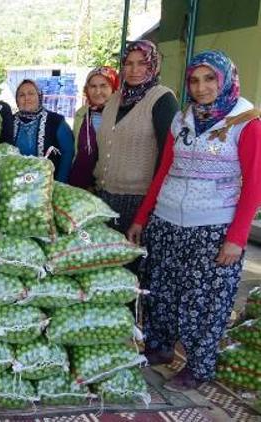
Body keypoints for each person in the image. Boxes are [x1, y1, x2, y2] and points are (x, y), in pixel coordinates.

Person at [127, 51, 261, 391]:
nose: (201, 88)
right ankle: (158, 347)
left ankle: (199, 367)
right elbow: (164, 170)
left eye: (209, 79)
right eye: (194, 80)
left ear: (225, 80)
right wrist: (143, 217)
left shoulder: (246, 122)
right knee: (163, 291)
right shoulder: (183, 117)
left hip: (214, 226)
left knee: (205, 300)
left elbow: (255, 184)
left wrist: (237, 237)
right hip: (168, 220)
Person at [93, 40, 180, 233]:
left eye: (142, 63)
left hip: (139, 201)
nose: (134, 70)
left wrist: (146, 211)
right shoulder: (115, 99)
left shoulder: (162, 99)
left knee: (131, 261)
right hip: (103, 196)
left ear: (154, 65)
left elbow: (168, 156)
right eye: (129, 63)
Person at [10, 79, 74, 182]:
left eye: (31, 93)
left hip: (48, 185)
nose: (26, 98)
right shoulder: (9, 122)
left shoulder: (55, 121)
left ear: (39, 97)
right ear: (17, 100)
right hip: (14, 183)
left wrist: (60, 182)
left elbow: (68, 152)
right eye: (21, 95)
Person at [69, 66, 119, 190]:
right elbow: (77, 150)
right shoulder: (81, 114)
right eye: (93, 86)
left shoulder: (122, 116)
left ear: (113, 88)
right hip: (80, 184)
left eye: (103, 86)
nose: (97, 92)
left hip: (110, 186)